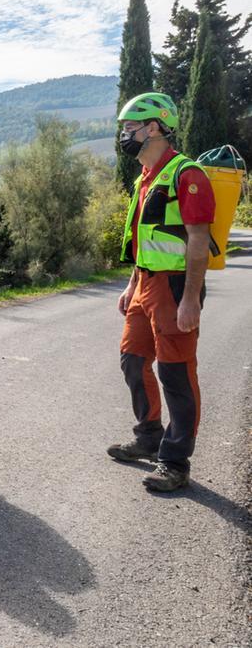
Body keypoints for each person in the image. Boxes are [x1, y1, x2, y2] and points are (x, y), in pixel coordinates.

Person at [108, 92, 216, 492]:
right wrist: (132, 284)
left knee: (176, 373)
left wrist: (190, 298)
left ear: (152, 127)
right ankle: (148, 434)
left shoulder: (188, 175)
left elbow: (198, 239)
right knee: (132, 361)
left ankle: (175, 461)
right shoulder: (145, 178)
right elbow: (145, 239)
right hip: (145, 284)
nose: (124, 134)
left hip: (174, 287)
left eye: (129, 128)